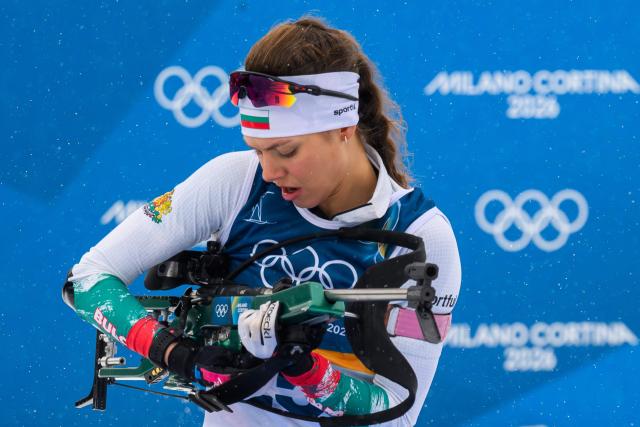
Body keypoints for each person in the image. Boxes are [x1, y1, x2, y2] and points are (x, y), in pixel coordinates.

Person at [67, 16, 461, 427]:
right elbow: (88, 279)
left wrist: (307, 371)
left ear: (344, 126)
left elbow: (396, 414)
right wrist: (176, 354)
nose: (270, 172)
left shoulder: (421, 236)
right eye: (258, 152)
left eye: (286, 151)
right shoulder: (235, 180)